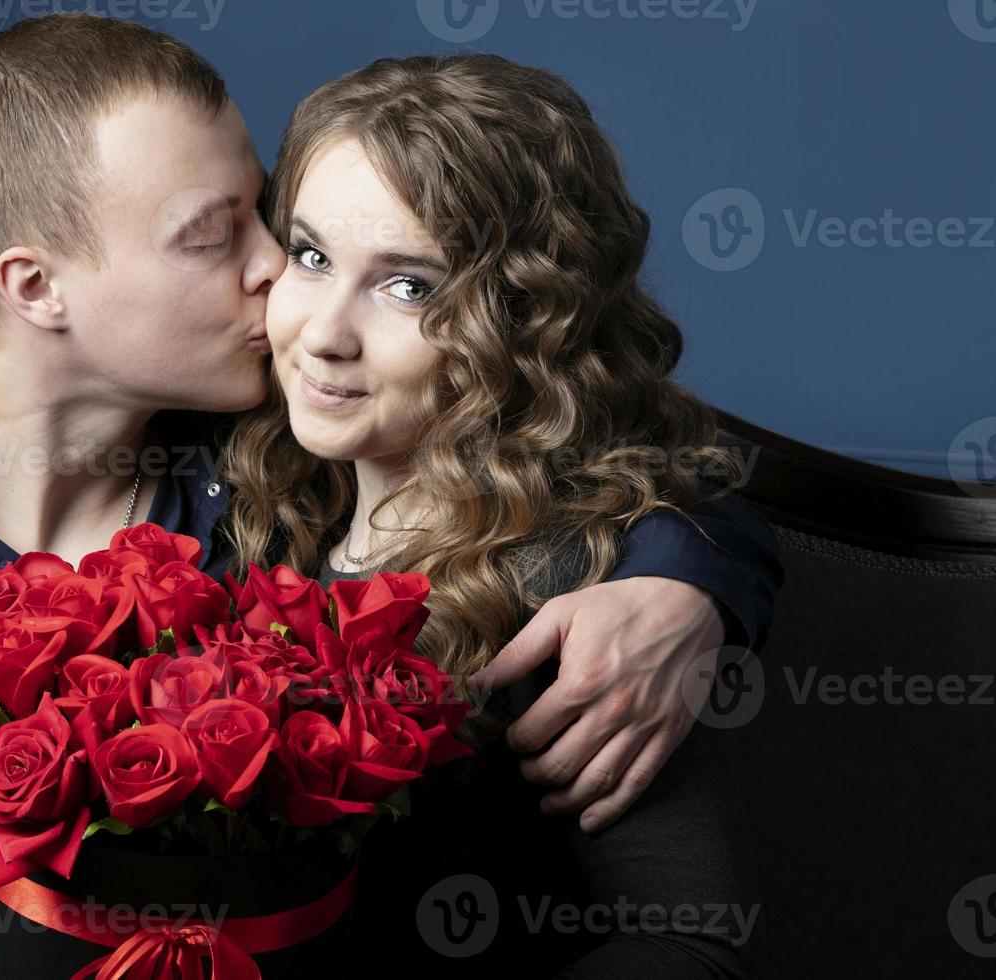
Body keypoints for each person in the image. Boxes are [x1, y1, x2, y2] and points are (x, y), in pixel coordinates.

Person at [0, 14, 778, 978]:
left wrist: (689, 579)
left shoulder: (266, 453)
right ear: (36, 285)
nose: (280, 284)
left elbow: (604, 449)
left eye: (275, 223)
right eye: (236, 237)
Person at [219, 52, 770, 974]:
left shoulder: (587, 588)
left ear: (522, 319)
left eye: (409, 286)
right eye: (312, 256)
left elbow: (693, 945)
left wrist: (690, 575)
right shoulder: (270, 500)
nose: (322, 334)